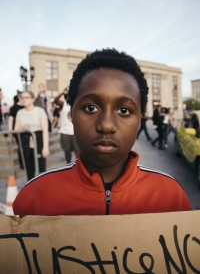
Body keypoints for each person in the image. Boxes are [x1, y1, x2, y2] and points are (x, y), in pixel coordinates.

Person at [13, 48, 191, 216]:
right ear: (71, 114)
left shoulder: (170, 197)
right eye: (90, 108)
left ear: (140, 119)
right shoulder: (34, 198)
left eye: (124, 111)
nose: (106, 125)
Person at [14, 91, 49, 181]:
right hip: (25, 142)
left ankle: (42, 189)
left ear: (32, 99)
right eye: (22, 97)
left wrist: (46, 147)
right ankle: (31, 189)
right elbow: (15, 129)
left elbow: (45, 130)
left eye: (26, 97)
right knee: (29, 169)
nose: (23, 99)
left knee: (41, 168)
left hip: (38, 140)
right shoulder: (20, 112)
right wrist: (22, 127)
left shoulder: (40, 111)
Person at [54, 88, 79, 163]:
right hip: (65, 132)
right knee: (67, 151)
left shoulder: (77, 103)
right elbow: (55, 100)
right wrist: (62, 92)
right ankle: (68, 165)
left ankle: (78, 169)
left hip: (75, 132)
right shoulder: (63, 104)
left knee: (78, 152)